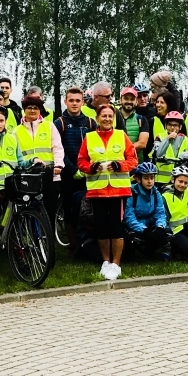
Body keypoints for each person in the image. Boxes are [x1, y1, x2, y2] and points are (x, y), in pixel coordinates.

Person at [79, 102, 137, 280]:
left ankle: (116, 263)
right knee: (102, 227)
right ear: (97, 118)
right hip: (97, 190)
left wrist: (120, 165)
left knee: (116, 226)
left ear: (114, 119)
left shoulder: (121, 135)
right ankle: (106, 262)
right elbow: (81, 161)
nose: (107, 119)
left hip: (118, 190)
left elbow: (133, 160)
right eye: (103, 116)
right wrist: (91, 167)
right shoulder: (89, 137)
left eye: (110, 116)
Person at [55, 87, 96, 254]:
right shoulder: (59, 123)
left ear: (83, 102)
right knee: (69, 210)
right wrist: (73, 170)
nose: (74, 103)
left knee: (88, 209)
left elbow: (95, 147)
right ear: (65, 101)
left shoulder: (90, 123)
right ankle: (73, 246)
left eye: (77, 100)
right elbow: (58, 150)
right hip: (68, 174)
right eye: (71, 100)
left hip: (88, 173)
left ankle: (87, 242)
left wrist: (88, 167)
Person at [14, 94, 62, 227]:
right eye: (29, 107)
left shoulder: (49, 126)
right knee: (30, 209)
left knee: (49, 209)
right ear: (24, 110)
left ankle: (50, 236)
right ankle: (34, 236)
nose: (32, 110)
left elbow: (57, 147)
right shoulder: (16, 131)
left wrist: (58, 165)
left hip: (50, 173)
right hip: (28, 175)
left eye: (36, 108)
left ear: (40, 110)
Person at [123, 162, 170, 260]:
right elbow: (129, 217)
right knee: (133, 237)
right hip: (135, 226)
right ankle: (131, 252)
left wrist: (160, 227)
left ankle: (161, 251)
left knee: (167, 232)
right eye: (146, 178)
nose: (150, 181)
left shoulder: (156, 193)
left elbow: (160, 213)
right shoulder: (131, 193)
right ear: (138, 179)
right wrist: (144, 229)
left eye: (152, 178)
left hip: (150, 224)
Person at [161, 164, 188, 260]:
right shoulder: (165, 197)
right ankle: (173, 249)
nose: (183, 185)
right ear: (173, 180)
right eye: (180, 181)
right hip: (175, 233)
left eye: (186, 183)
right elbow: (164, 220)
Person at [152, 111, 188, 186]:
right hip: (161, 179)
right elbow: (158, 153)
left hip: (178, 178)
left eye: (175, 125)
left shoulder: (184, 138)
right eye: (169, 125)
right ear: (165, 126)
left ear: (180, 127)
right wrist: (167, 139)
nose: (172, 127)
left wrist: (186, 156)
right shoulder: (160, 137)